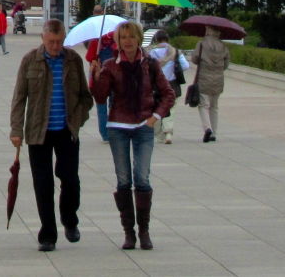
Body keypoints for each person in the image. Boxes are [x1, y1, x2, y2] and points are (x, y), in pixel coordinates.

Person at [10, 18, 94, 252]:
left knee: (70, 179)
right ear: (43, 39)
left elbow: (86, 97)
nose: (56, 46)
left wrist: (77, 120)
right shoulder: (30, 60)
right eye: (52, 42)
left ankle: (69, 219)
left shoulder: (73, 60)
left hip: (66, 130)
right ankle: (48, 233)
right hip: (39, 131)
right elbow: (19, 98)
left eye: (59, 41)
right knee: (43, 183)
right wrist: (16, 129)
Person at [90, 20, 174, 251]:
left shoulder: (150, 64)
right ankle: (129, 233)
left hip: (143, 127)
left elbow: (168, 93)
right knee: (123, 179)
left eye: (130, 36)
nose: (127, 41)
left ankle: (144, 231)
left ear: (138, 38)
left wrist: (155, 117)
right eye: (122, 37)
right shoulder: (110, 65)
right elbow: (99, 97)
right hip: (118, 127)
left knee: (142, 178)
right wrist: (95, 76)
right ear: (117, 41)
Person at [147, 30, 188, 145]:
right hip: (172, 84)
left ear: (156, 40)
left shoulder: (152, 53)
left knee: (156, 108)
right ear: (168, 39)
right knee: (171, 108)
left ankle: (159, 135)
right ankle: (168, 132)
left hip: (156, 85)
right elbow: (185, 65)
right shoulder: (175, 52)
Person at [192, 25, 230, 143]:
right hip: (218, 79)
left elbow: (194, 59)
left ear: (209, 30)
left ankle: (207, 128)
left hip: (204, 77)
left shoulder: (202, 44)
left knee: (203, 105)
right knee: (214, 106)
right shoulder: (223, 46)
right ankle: (214, 132)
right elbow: (226, 64)